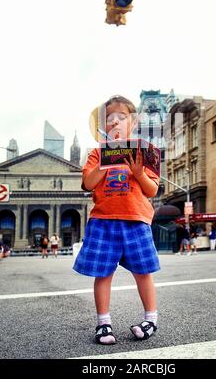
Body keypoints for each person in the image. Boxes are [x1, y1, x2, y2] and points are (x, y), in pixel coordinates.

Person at [73, 95, 160, 345]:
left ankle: (151, 318)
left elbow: (152, 190)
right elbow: (88, 184)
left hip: (136, 220)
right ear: (103, 126)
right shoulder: (95, 154)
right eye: (109, 119)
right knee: (102, 273)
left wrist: (138, 172)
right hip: (103, 220)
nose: (115, 123)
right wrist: (104, 162)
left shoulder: (145, 151)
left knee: (143, 272)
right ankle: (103, 323)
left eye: (121, 118)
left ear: (132, 123)